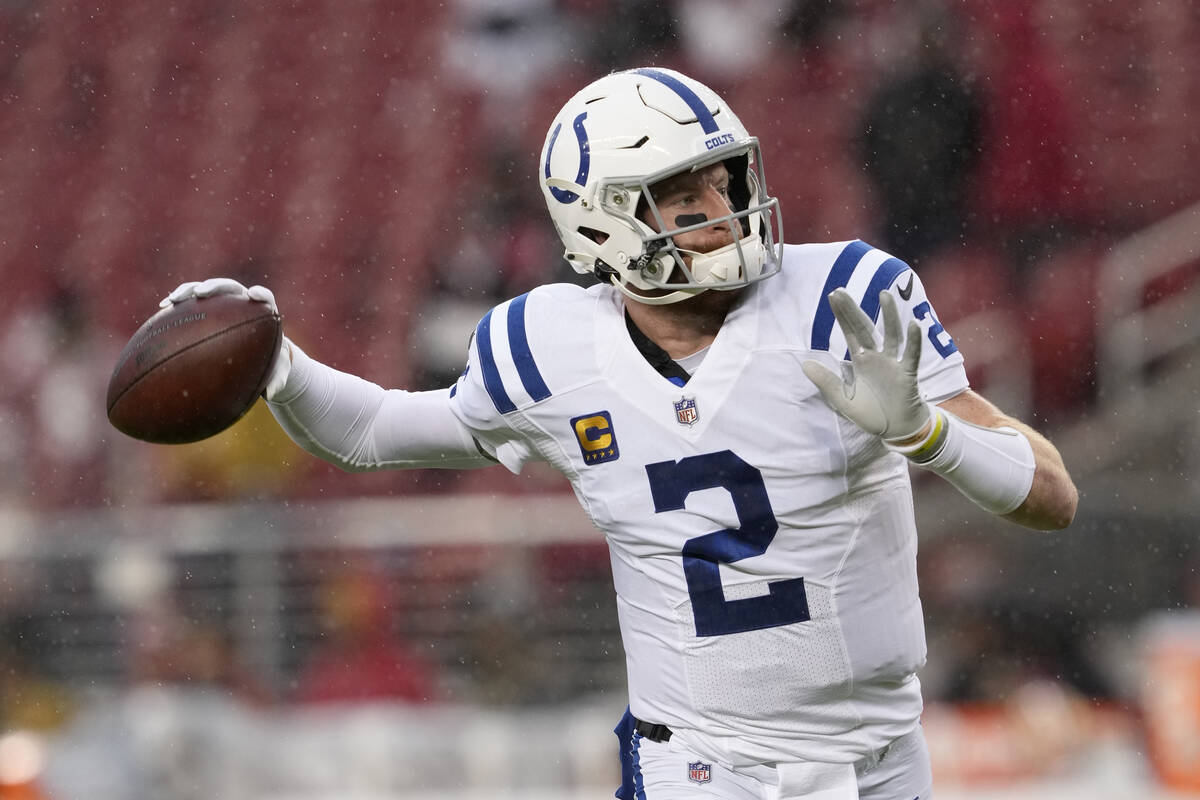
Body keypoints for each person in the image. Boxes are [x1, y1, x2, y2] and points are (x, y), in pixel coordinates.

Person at [160, 67, 1077, 800]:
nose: (725, 209)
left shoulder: (846, 298)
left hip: (880, 754)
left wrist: (927, 435)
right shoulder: (549, 347)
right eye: (685, 197)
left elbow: (1050, 498)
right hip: (705, 764)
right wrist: (278, 365)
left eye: (729, 179)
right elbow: (372, 429)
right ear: (603, 225)